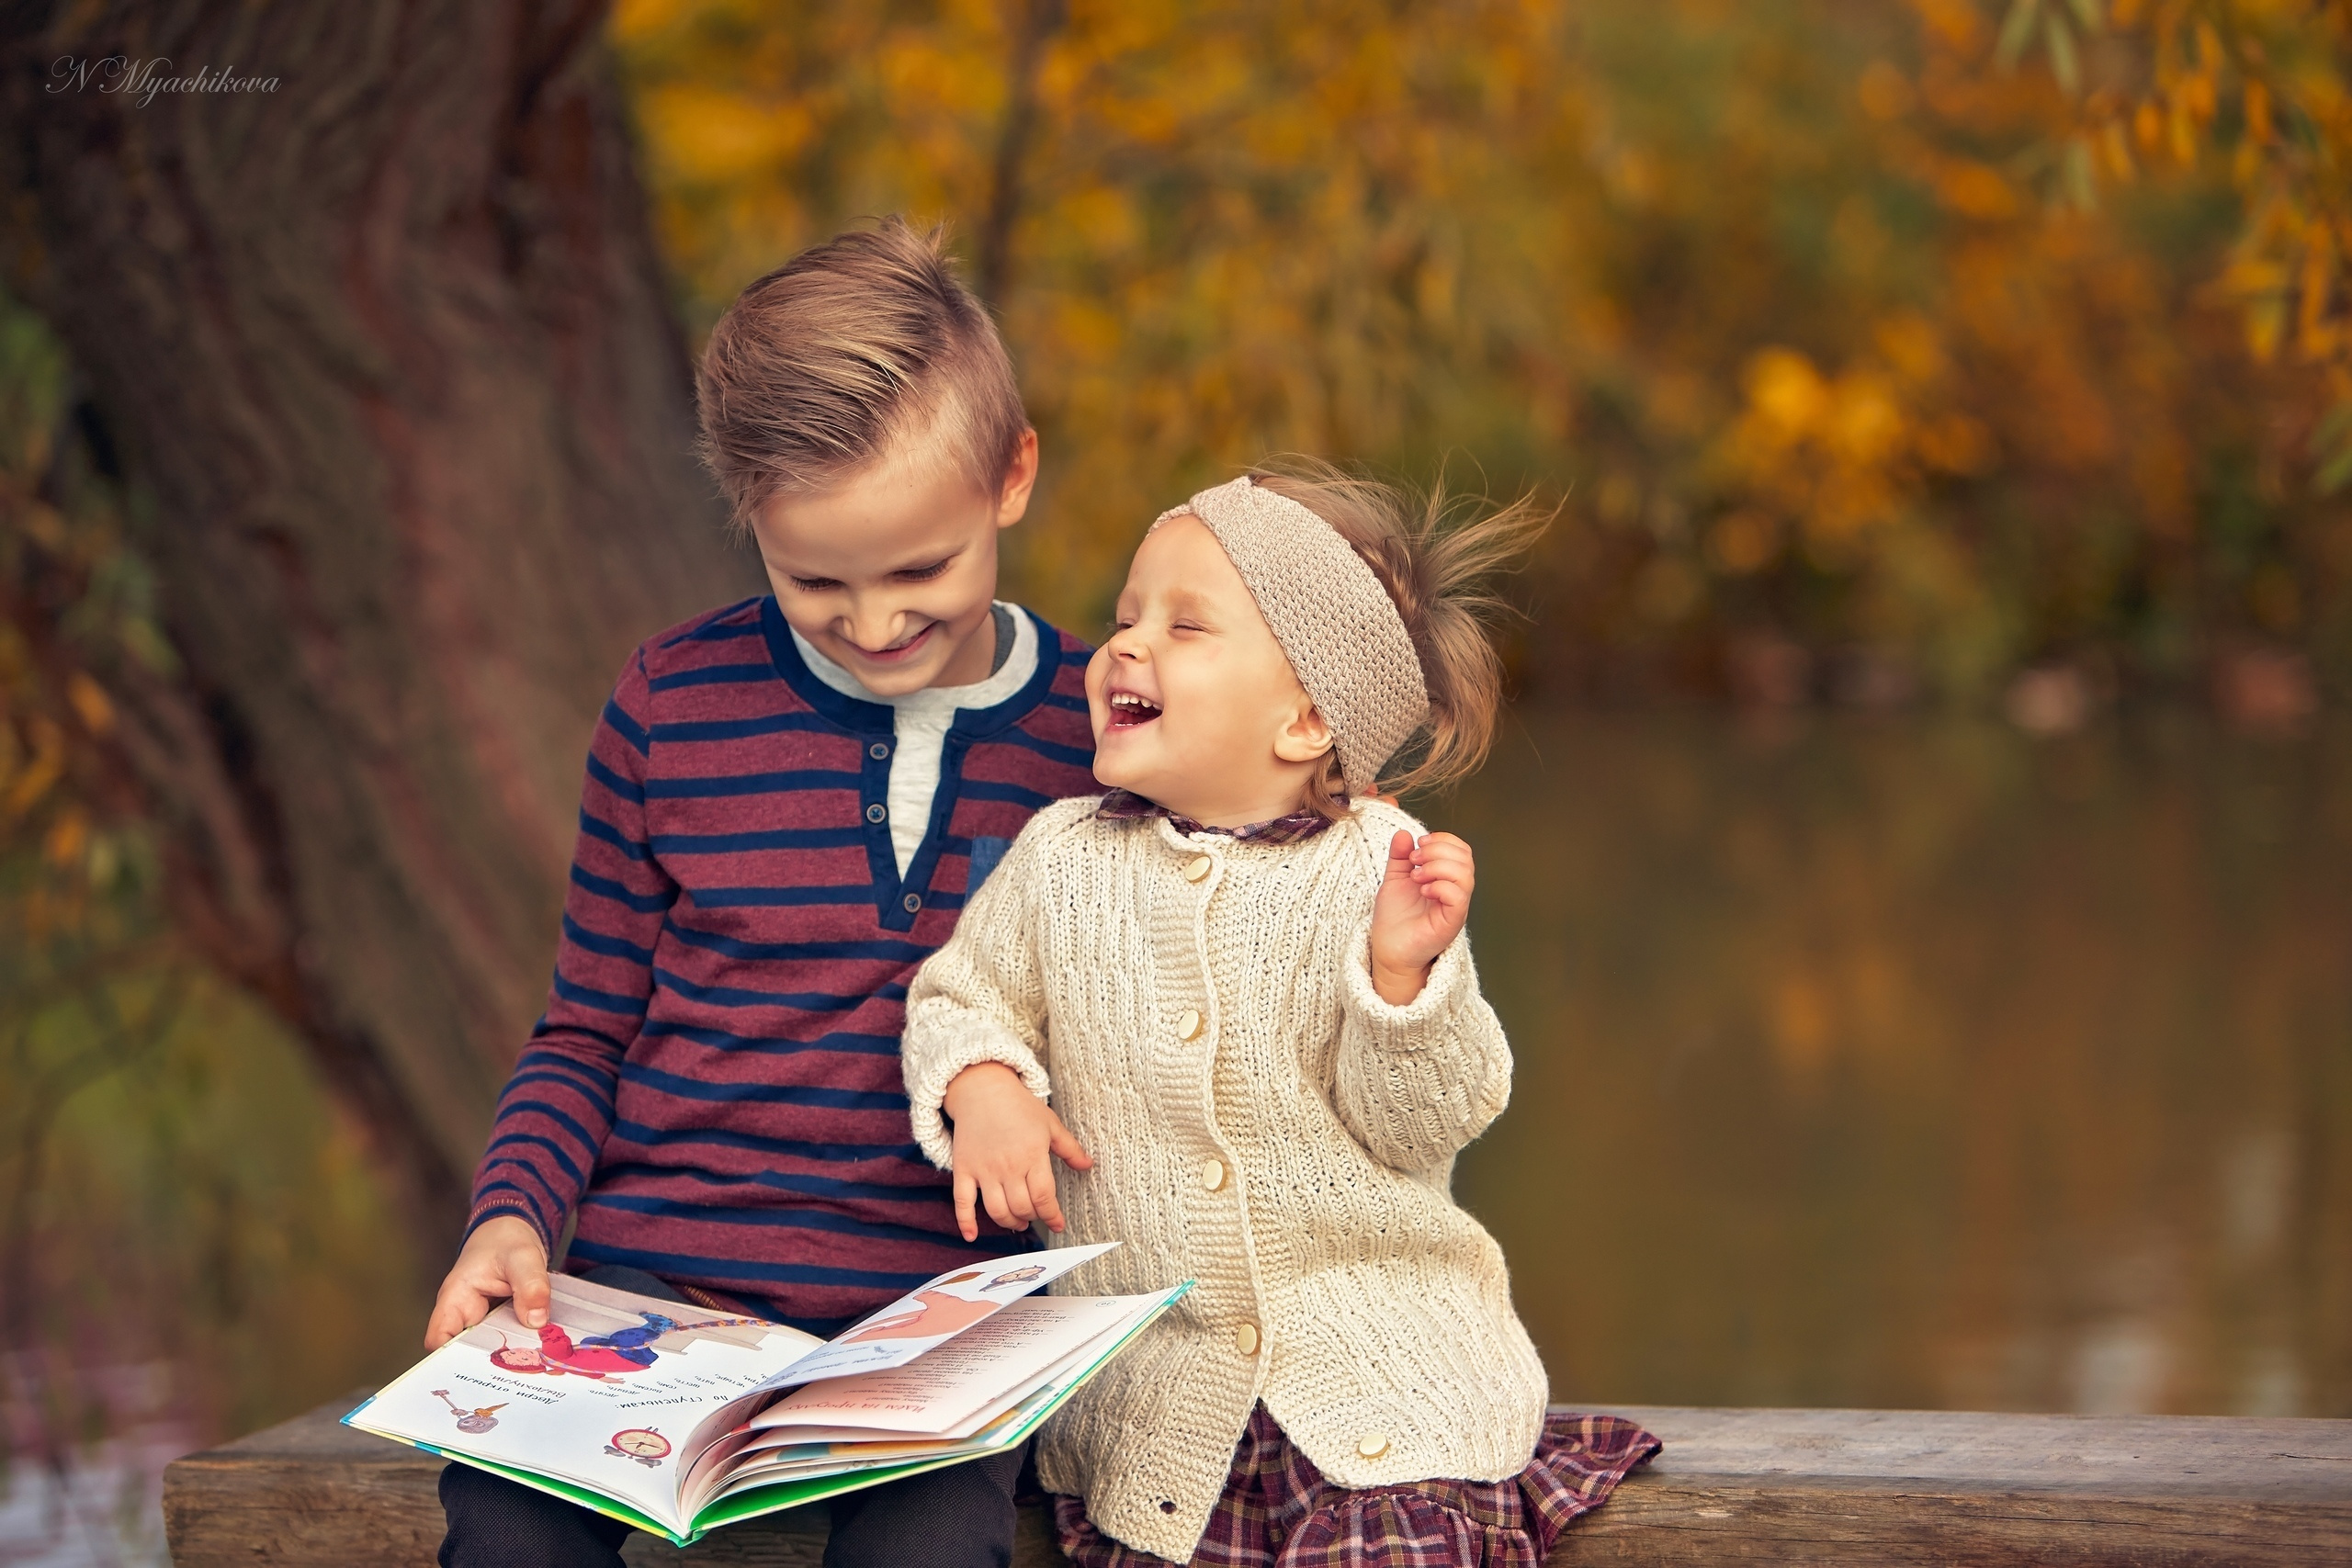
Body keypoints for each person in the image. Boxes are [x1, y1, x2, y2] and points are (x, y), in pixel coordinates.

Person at [422, 219, 1100, 1568]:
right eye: (814, 582)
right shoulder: (674, 705)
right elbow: (584, 1031)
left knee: (932, 1547)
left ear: (1012, 475)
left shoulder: (1098, 731)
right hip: (655, 1295)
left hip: (933, 1322)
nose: (873, 621)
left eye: (923, 570)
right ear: (751, 525)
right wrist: (512, 1215)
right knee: (504, 1526)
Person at [900, 467, 1660, 1565]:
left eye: (1184, 625)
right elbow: (958, 997)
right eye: (1124, 617)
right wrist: (985, 1088)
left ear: (1305, 718)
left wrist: (1401, 982)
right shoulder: (1060, 859)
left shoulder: (1374, 870)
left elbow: (1425, 1121)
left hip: (1373, 1361)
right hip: (1154, 1397)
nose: (1124, 645)